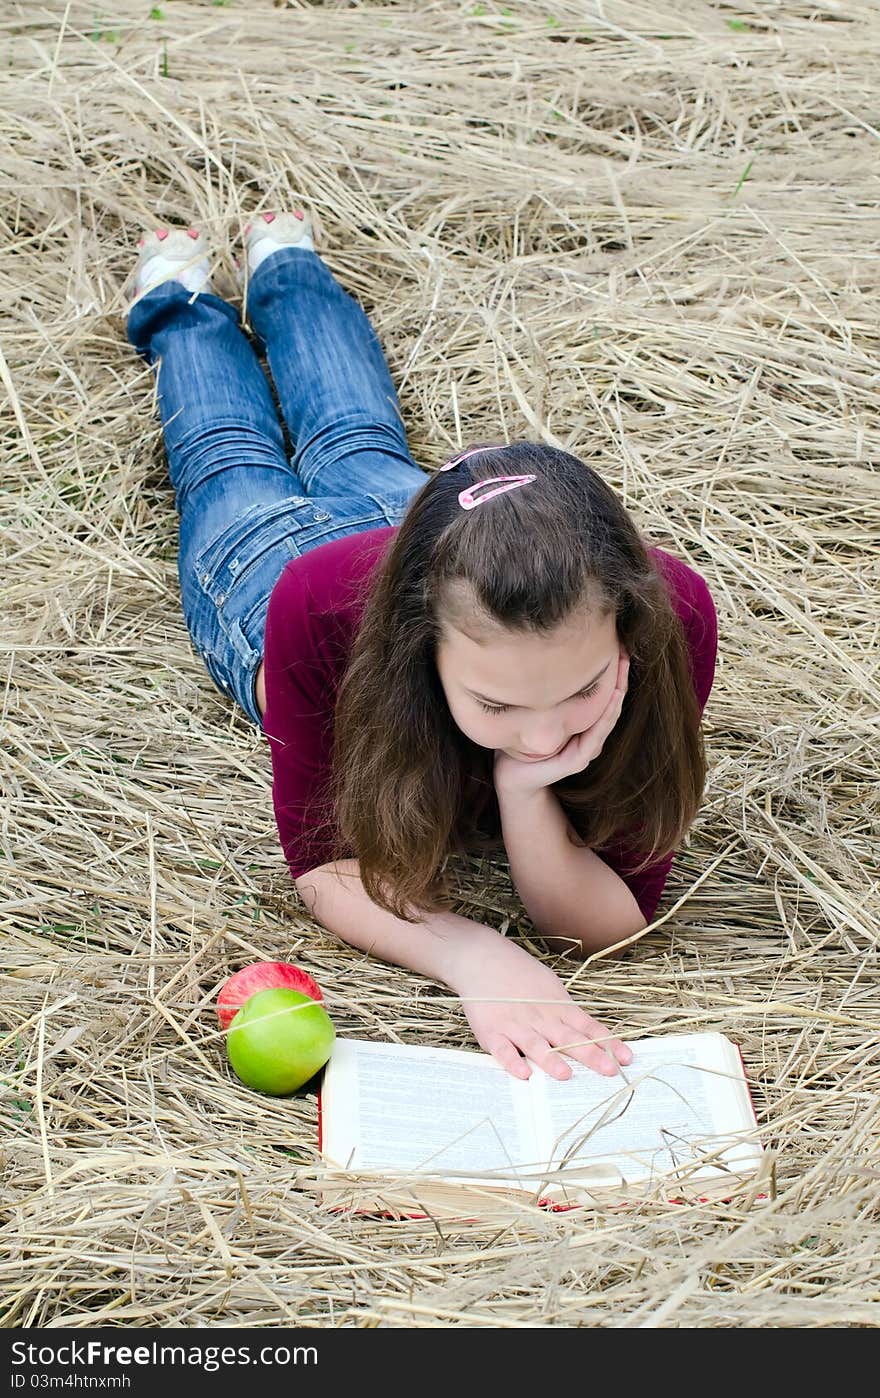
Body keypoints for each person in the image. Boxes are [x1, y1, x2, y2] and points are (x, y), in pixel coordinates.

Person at [126, 209, 717, 1086]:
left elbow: (610, 919)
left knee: (358, 442)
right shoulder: (322, 612)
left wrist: (525, 796)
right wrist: (474, 956)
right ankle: (181, 300)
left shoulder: (674, 615)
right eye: (496, 705)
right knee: (228, 457)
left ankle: (284, 266)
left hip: (456, 543)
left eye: (582, 690)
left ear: (628, 626)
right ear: (420, 651)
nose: (547, 739)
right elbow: (326, 866)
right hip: (280, 573)